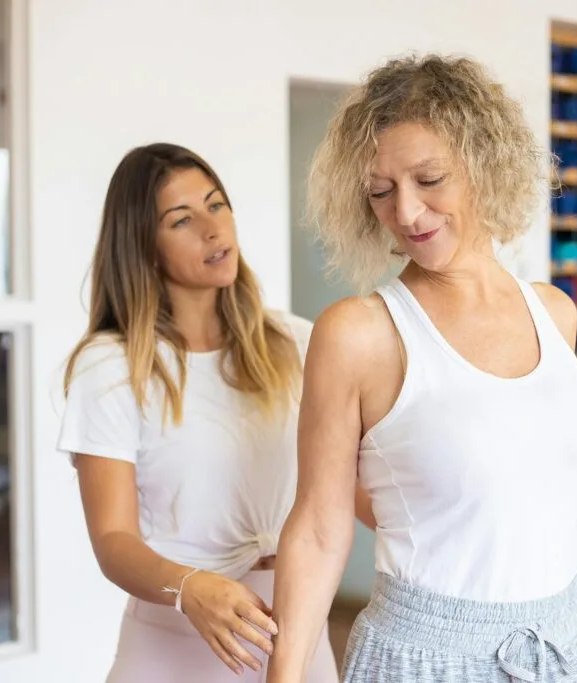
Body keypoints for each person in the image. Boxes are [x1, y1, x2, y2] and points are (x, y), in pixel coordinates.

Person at [266, 55, 577, 682]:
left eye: (429, 179)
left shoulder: (554, 314)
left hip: (565, 646)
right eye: (381, 192)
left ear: (484, 163)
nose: (408, 213)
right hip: (425, 660)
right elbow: (318, 526)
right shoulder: (360, 334)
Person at [56, 143, 340, 682]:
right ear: (143, 246)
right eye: (182, 220)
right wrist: (188, 588)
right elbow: (113, 541)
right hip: (169, 650)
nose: (213, 229)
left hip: (297, 641)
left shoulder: (298, 343)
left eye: (217, 204)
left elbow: (347, 486)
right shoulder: (111, 367)